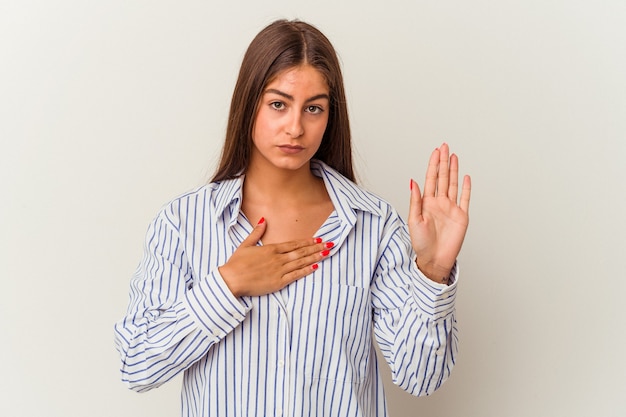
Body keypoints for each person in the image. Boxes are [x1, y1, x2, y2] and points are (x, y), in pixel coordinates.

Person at [114, 19, 471, 417]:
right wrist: (228, 284)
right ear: (249, 103)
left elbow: (420, 377)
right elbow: (137, 363)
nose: (295, 127)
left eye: (313, 108)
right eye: (278, 104)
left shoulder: (373, 225)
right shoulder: (184, 223)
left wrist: (433, 271)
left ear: (330, 117)